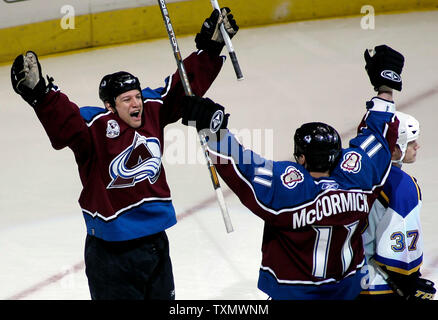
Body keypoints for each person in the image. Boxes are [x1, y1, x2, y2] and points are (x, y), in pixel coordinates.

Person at [10, 8, 238, 300]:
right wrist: (42, 94)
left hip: (155, 242)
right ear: (109, 105)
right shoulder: (95, 127)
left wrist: (211, 49)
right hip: (111, 253)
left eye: (138, 96)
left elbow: (182, 87)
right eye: (127, 99)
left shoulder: (153, 109)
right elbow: (67, 125)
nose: (136, 103)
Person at [179, 45, 403, 299]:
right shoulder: (360, 178)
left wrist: (213, 130)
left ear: (302, 158)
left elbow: (241, 166)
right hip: (346, 292)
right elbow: (378, 135)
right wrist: (386, 88)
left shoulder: (287, 190)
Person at [360, 111, 436, 300]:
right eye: (411, 142)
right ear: (394, 149)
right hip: (378, 286)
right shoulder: (401, 185)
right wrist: (410, 284)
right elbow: (401, 257)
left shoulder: (350, 172)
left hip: (342, 280)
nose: (417, 146)